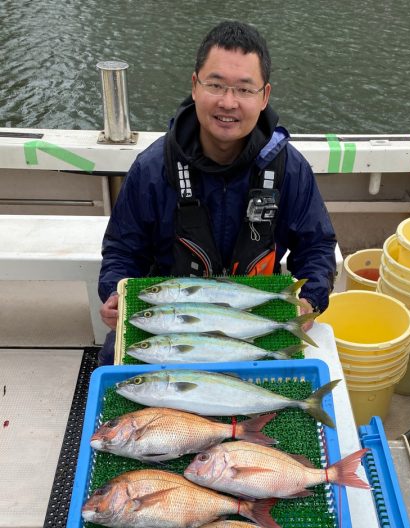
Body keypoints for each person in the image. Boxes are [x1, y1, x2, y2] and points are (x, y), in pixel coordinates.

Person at [98, 20, 337, 365]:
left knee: (292, 377)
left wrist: (310, 299)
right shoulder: (152, 168)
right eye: (216, 85)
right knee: (113, 363)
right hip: (171, 317)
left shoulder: (289, 169)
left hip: (254, 313)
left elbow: (316, 245)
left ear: (264, 95)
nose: (228, 102)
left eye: (244, 89)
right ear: (195, 86)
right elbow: (123, 249)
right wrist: (114, 291)